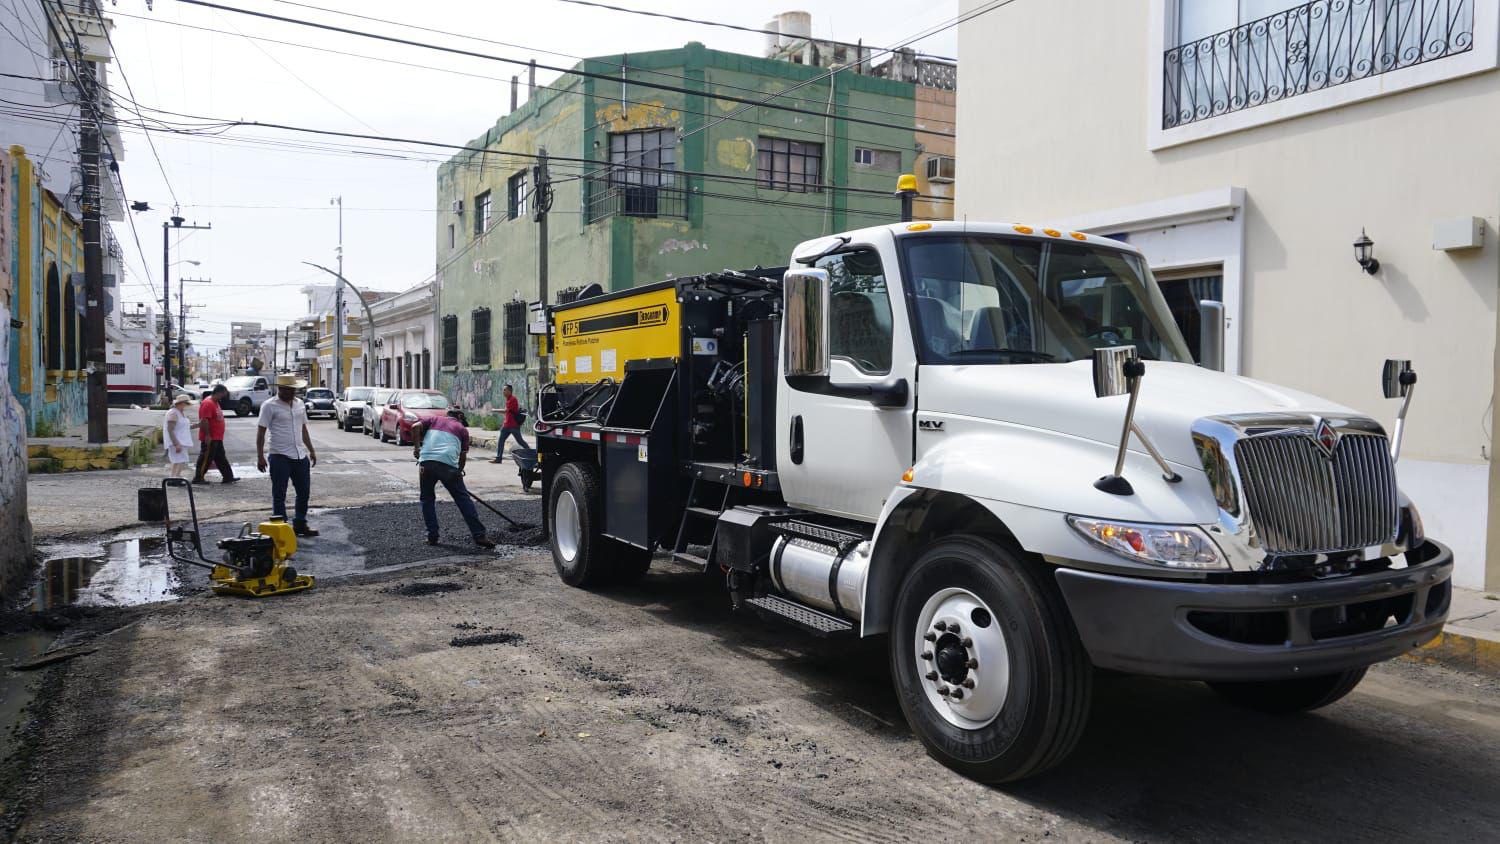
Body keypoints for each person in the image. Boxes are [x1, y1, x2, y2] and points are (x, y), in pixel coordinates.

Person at [414, 408, 496, 548]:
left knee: (427, 499)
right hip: (448, 467)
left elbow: (414, 427)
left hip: (426, 463)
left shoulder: (434, 419)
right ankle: (479, 535)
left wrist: (417, 449)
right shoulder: (462, 429)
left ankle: (432, 536)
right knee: (462, 499)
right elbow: (462, 458)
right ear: (460, 416)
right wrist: (458, 471)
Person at [256, 374, 320, 537]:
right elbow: (261, 432)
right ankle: (281, 529)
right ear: (281, 389)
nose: (293, 393)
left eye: (294, 390)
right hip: (279, 455)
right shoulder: (269, 406)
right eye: (289, 390)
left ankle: (300, 523)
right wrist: (260, 456)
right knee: (279, 494)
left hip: (300, 455)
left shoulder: (299, 404)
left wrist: (311, 450)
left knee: (304, 492)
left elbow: (303, 429)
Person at [193, 384, 236, 485]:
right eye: (223, 395)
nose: (223, 397)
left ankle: (228, 477)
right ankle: (198, 478)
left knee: (221, 457)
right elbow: (204, 420)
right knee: (205, 458)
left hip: (217, 437)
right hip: (211, 437)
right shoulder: (208, 403)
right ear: (218, 393)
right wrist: (208, 435)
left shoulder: (215, 402)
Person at [490, 384, 530, 463]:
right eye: (503, 390)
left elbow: (506, 411)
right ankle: (498, 458)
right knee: (501, 441)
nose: (503, 392)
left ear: (509, 391)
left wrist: (495, 410)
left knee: (520, 441)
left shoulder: (512, 399)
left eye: (505, 390)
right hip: (507, 425)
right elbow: (507, 412)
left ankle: (531, 453)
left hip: (513, 426)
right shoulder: (508, 399)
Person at [163, 394, 197, 478]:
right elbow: (170, 430)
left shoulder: (179, 412)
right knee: (180, 460)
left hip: (181, 441)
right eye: (186, 403)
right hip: (177, 441)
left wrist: (196, 425)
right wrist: (176, 444)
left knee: (177, 461)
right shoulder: (173, 413)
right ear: (181, 403)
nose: (186, 406)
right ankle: (176, 477)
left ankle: (174, 477)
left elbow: (182, 427)